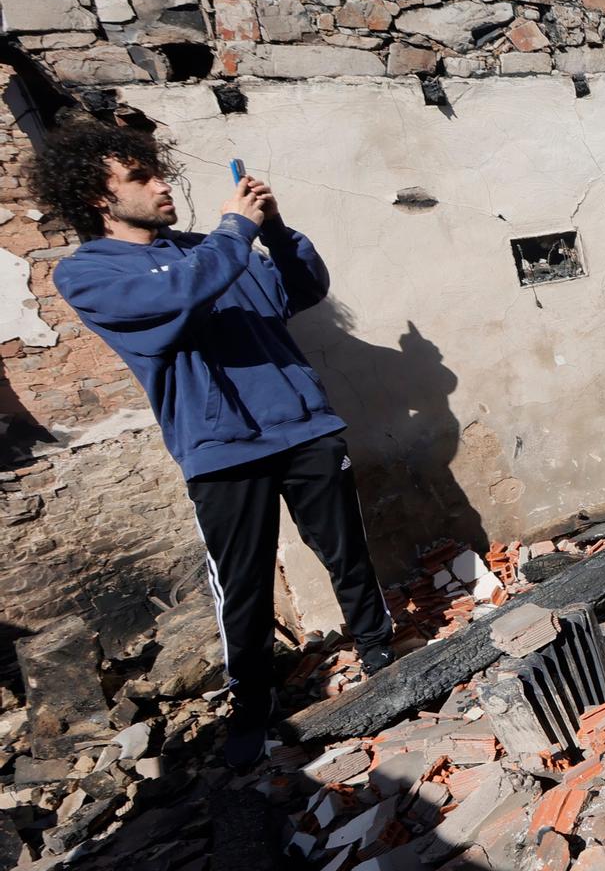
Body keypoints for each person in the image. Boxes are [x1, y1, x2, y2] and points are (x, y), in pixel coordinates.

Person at [37, 117, 397, 770]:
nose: (162, 184)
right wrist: (237, 229)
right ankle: (252, 709)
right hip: (220, 446)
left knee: (345, 550)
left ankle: (381, 654)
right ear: (99, 198)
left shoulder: (215, 247)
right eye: (142, 177)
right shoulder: (89, 272)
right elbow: (178, 293)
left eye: (158, 169)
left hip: (304, 426)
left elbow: (302, 288)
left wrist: (277, 229)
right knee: (246, 585)